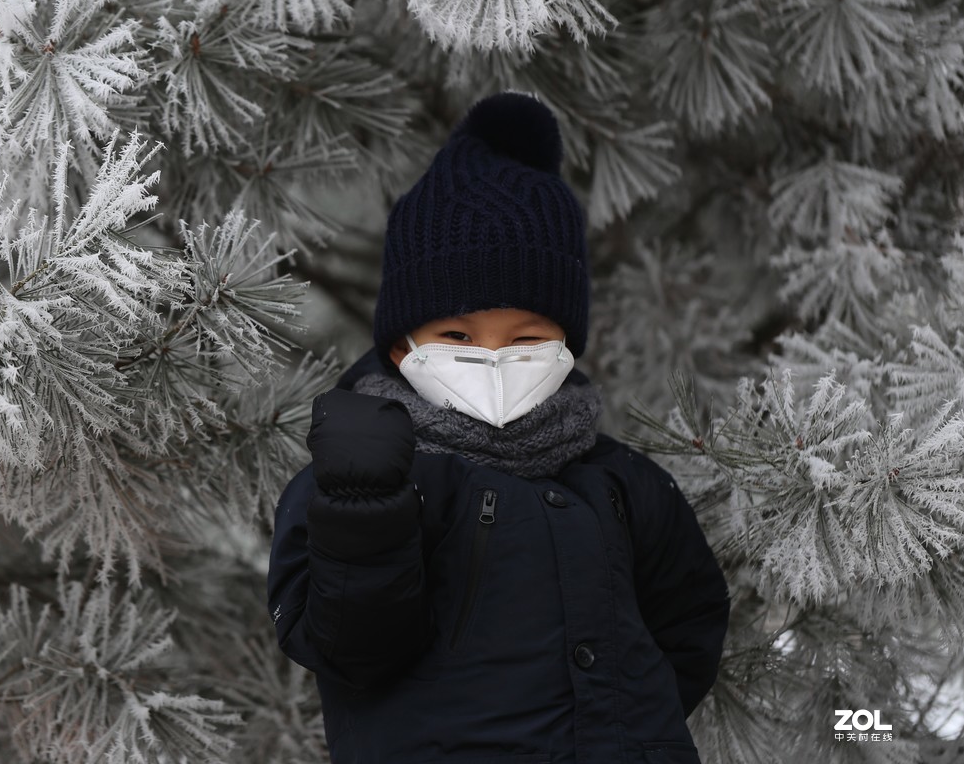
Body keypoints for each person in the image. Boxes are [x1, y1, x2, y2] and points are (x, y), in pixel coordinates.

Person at [266, 91, 731, 764]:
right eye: (457, 333)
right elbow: (344, 649)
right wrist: (364, 513)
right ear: (402, 345)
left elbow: (687, 626)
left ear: (566, 343)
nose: (492, 356)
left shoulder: (620, 482)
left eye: (525, 336)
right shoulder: (352, 482)